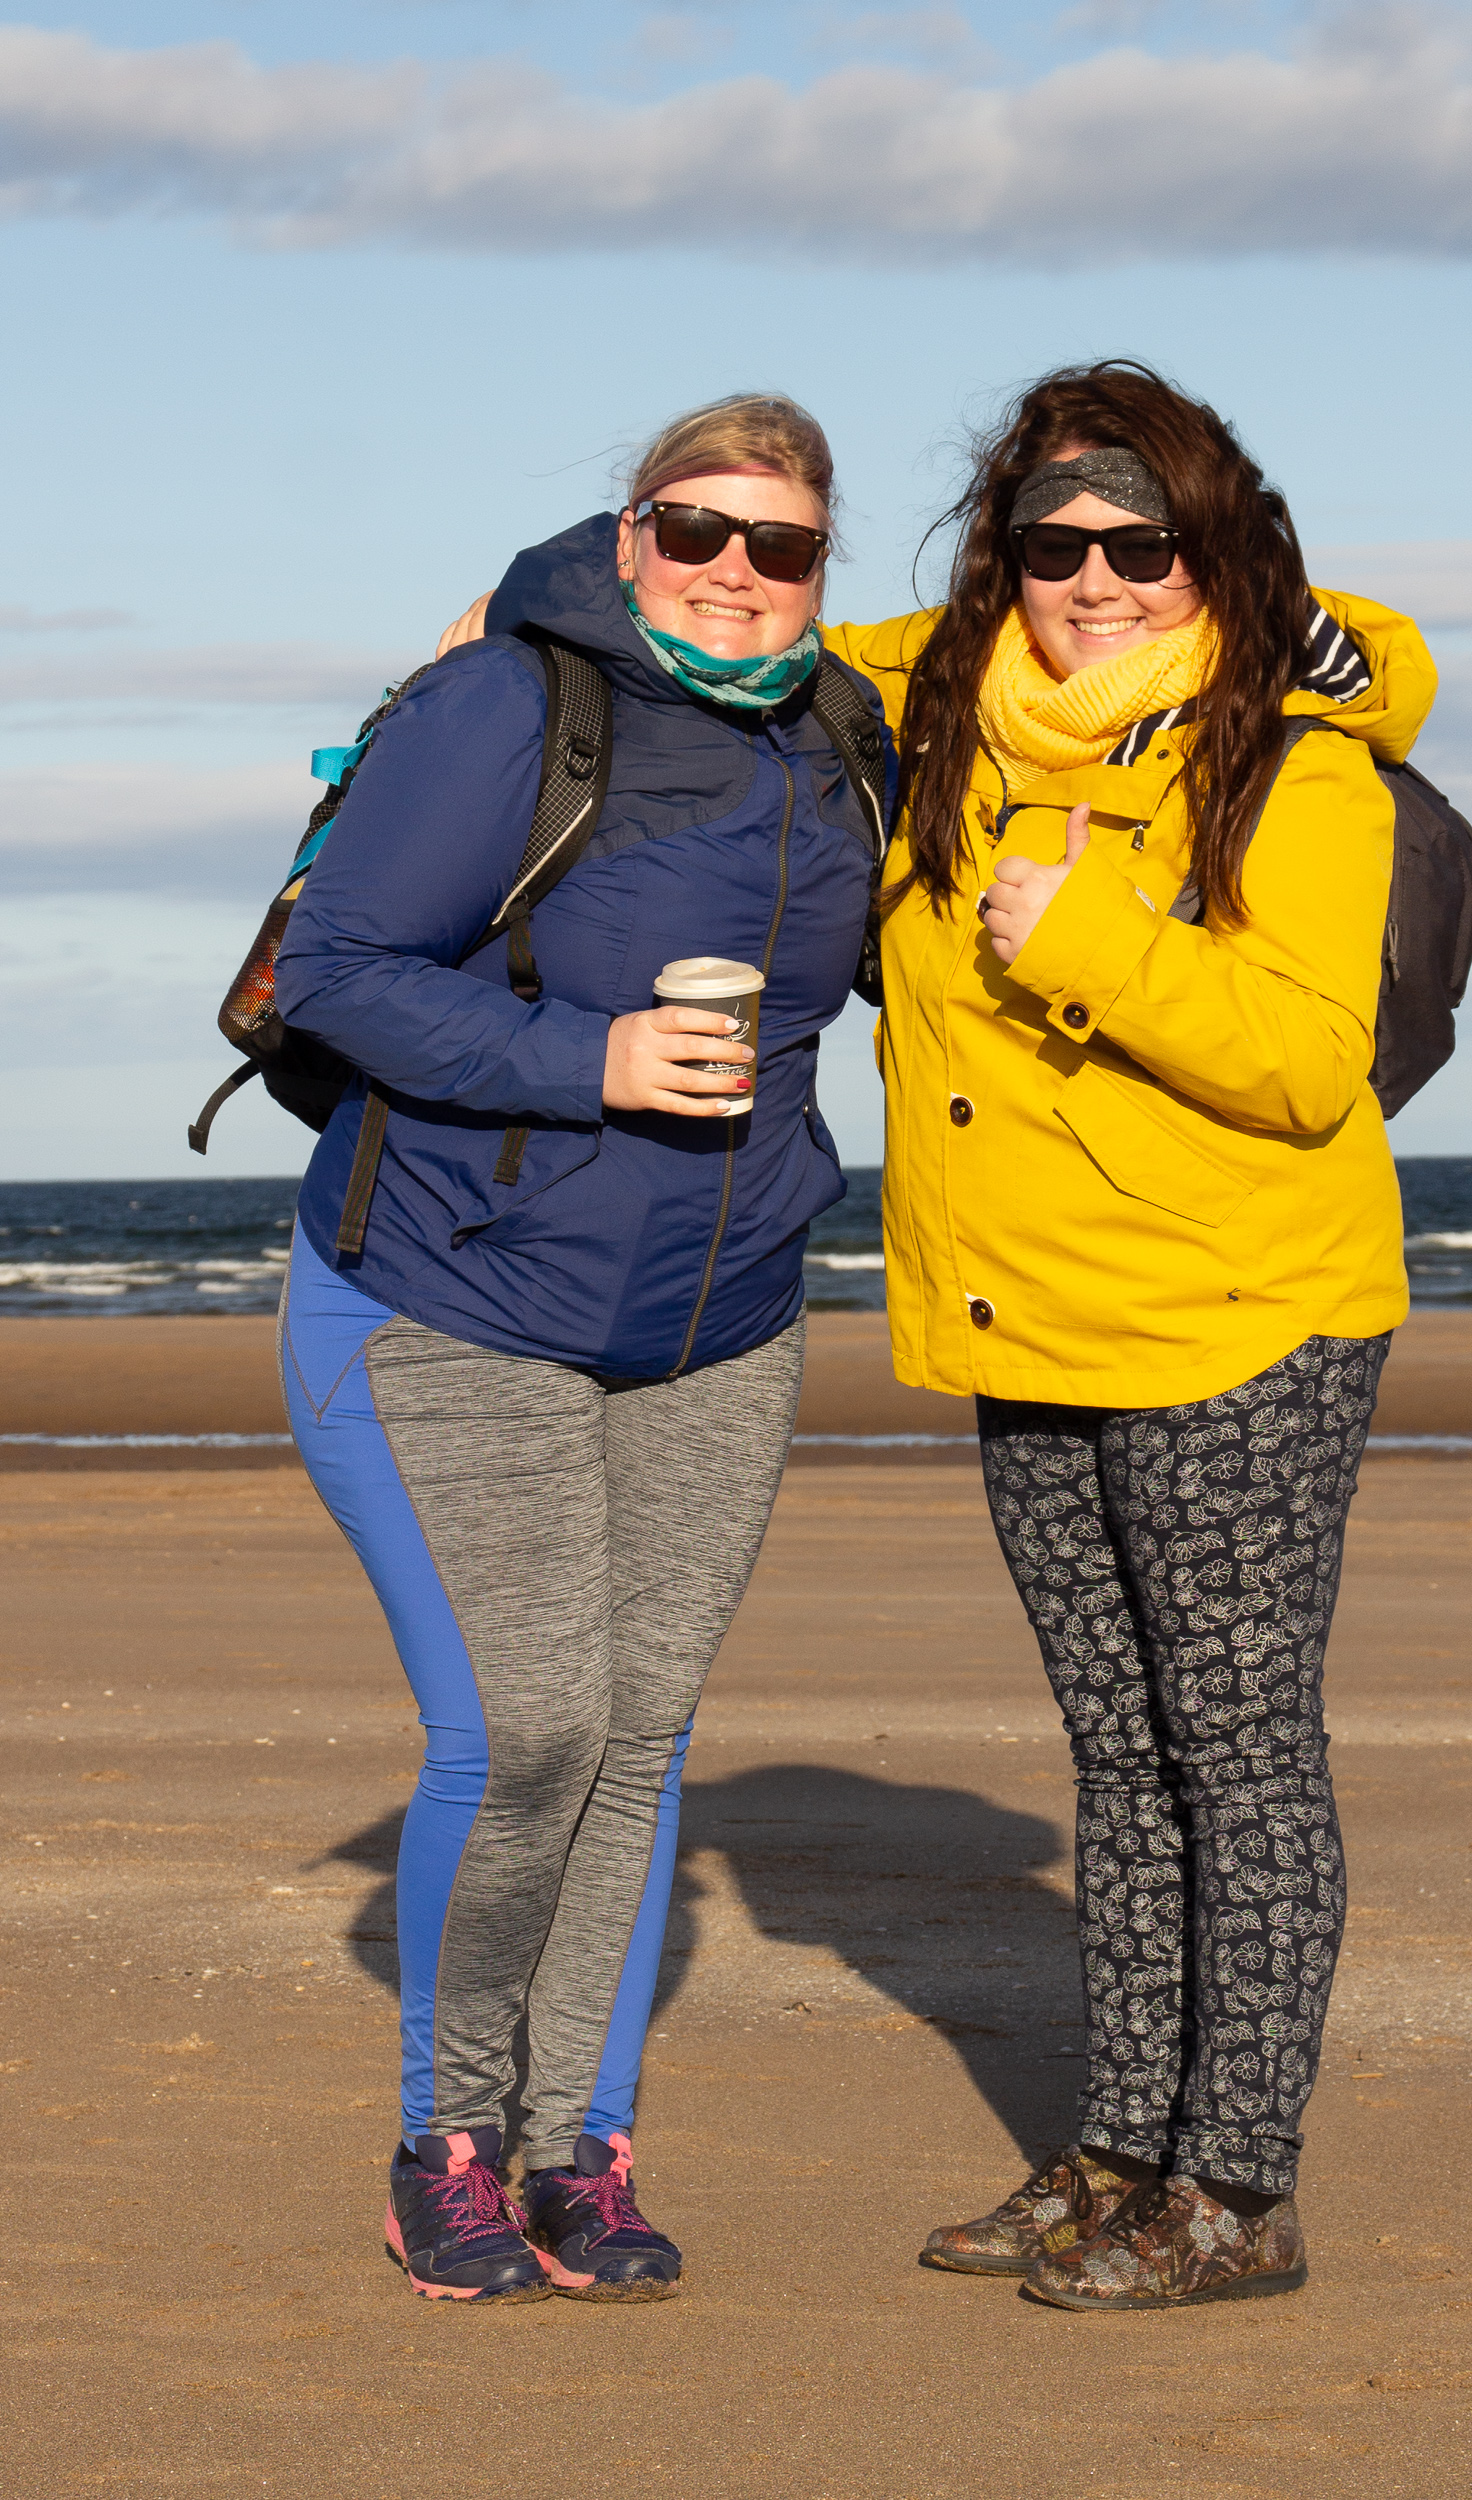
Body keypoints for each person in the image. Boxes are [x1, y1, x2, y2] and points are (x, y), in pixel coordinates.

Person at [813, 360, 1435, 2309]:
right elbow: (741, 623)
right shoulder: (947, 702)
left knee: (1235, 1756)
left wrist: (1086, 935)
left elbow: (1308, 1060)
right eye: (1051, 540)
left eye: (1141, 543)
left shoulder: (1293, 757)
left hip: (1238, 1323)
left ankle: (1236, 2185)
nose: (1093, 578)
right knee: (1120, 1753)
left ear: (1210, 551)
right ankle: (1119, 2153)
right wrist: (538, 609)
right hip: (1033, 1322)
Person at [276, 393, 885, 2304]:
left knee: (635, 1743)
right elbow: (338, 973)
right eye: (693, 528)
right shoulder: (511, 703)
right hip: (450, 1295)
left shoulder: (846, 735)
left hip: (721, 1320)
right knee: (524, 1732)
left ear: (823, 572)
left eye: (780, 544)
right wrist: (590, 1057)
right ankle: (448, 2143)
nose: (733, 569)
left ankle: (579, 2157)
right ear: (631, 537)